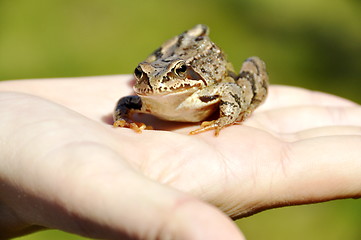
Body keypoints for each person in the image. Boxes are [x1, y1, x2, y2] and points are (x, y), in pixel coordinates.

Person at [0, 75, 360, 240]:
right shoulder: (143, 95)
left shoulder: (201, 89)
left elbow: (230, 87)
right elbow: (126, 102)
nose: (152, 86)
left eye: (167, 78)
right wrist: (124, 120)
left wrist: (228, 115)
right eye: (143, 77)